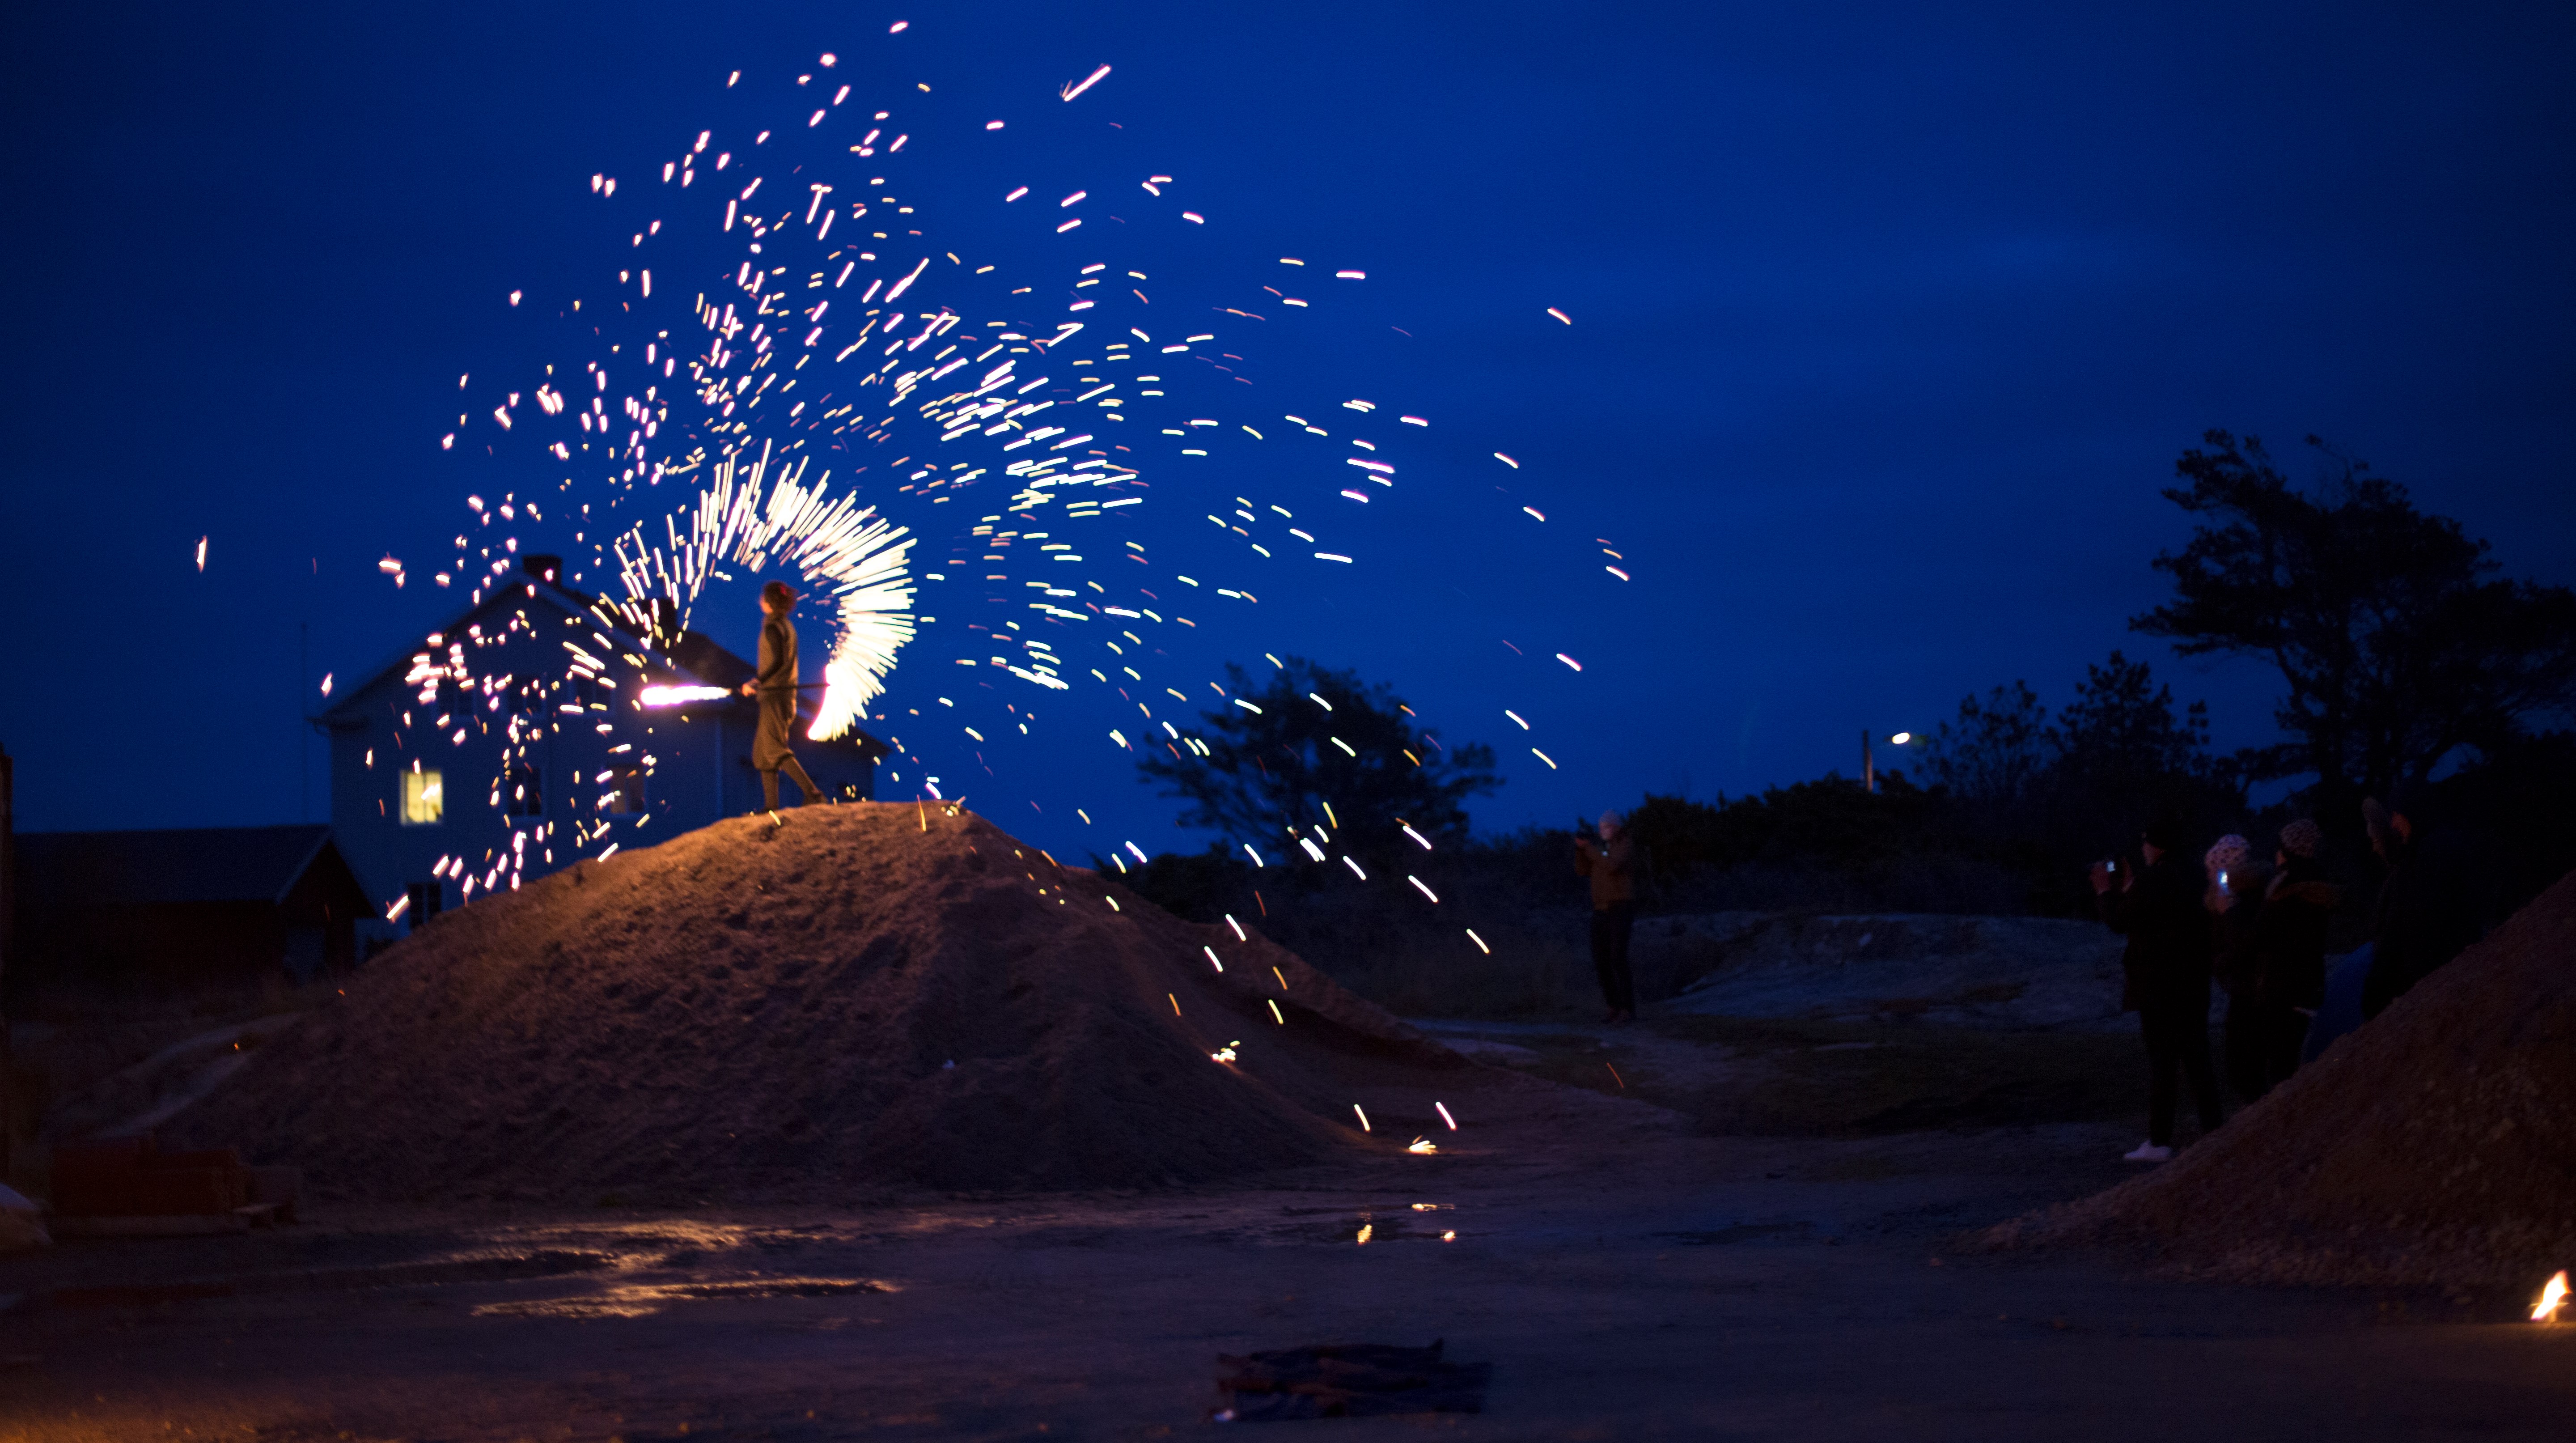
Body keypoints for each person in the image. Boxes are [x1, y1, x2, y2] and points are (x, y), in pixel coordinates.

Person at [2092, 814, 2221, 1162]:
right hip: (2193, 984)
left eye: (2145, 843)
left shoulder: (2155, 879)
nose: (2142, 849)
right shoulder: (2195, 876)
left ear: (2156, 845)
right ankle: (2218, 1131)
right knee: (2198, 1059)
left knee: (2163, 1063)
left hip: (2159, 987)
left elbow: (2121, 920)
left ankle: (2159, 1141)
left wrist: (2105, 891)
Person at [2360, 782, 2481, 1019]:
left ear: (2411, 812)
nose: (2393, 824)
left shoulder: (2429, 858)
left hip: (2437, 992)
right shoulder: (2431, 851)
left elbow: (2420, 930)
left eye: (2396, 816)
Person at [2235, 818, 2339, 1093]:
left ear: (2286, 850)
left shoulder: (2285, 888)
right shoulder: (2320, 884)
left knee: (2279, 1072)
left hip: (2279, 990)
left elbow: (2259, 936)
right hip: (2309, 985)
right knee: (2293, 1063)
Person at [739, 580, 826, 818]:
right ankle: (771, 808)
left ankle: (814, 794)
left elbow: (777, 662)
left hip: (775, 696)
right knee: (762, 753)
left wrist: (756, 682)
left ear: (768, 602)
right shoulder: (785, 626)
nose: (760, 600)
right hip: (781, 695)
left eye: (762, 597)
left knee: (775, 749)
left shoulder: (773, 627)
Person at [2203, 833, 2275, 1103]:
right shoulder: (2237, 899)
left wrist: (2226, 915)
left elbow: (2243, 947)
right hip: (2246, 990)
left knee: (2246, 1066)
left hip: (2253, 991)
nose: (2211, 877)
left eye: (2215, 870)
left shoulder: (2246, 900)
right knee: (2242, 1065)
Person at [1572, 811, 1638, 1024]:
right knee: (1601, 959)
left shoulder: (1625, 845)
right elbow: (1582, 871)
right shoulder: (1599, 849)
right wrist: (1580, 850)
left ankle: (1628, 1009)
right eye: (1601, 828)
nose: (1604, 831)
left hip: (1620, 907)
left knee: (1618, 957)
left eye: (1608, 827)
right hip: (1600, 909)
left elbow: (1612, 866)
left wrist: (1589, 849)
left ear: (1617, 827)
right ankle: (1613, 1007)